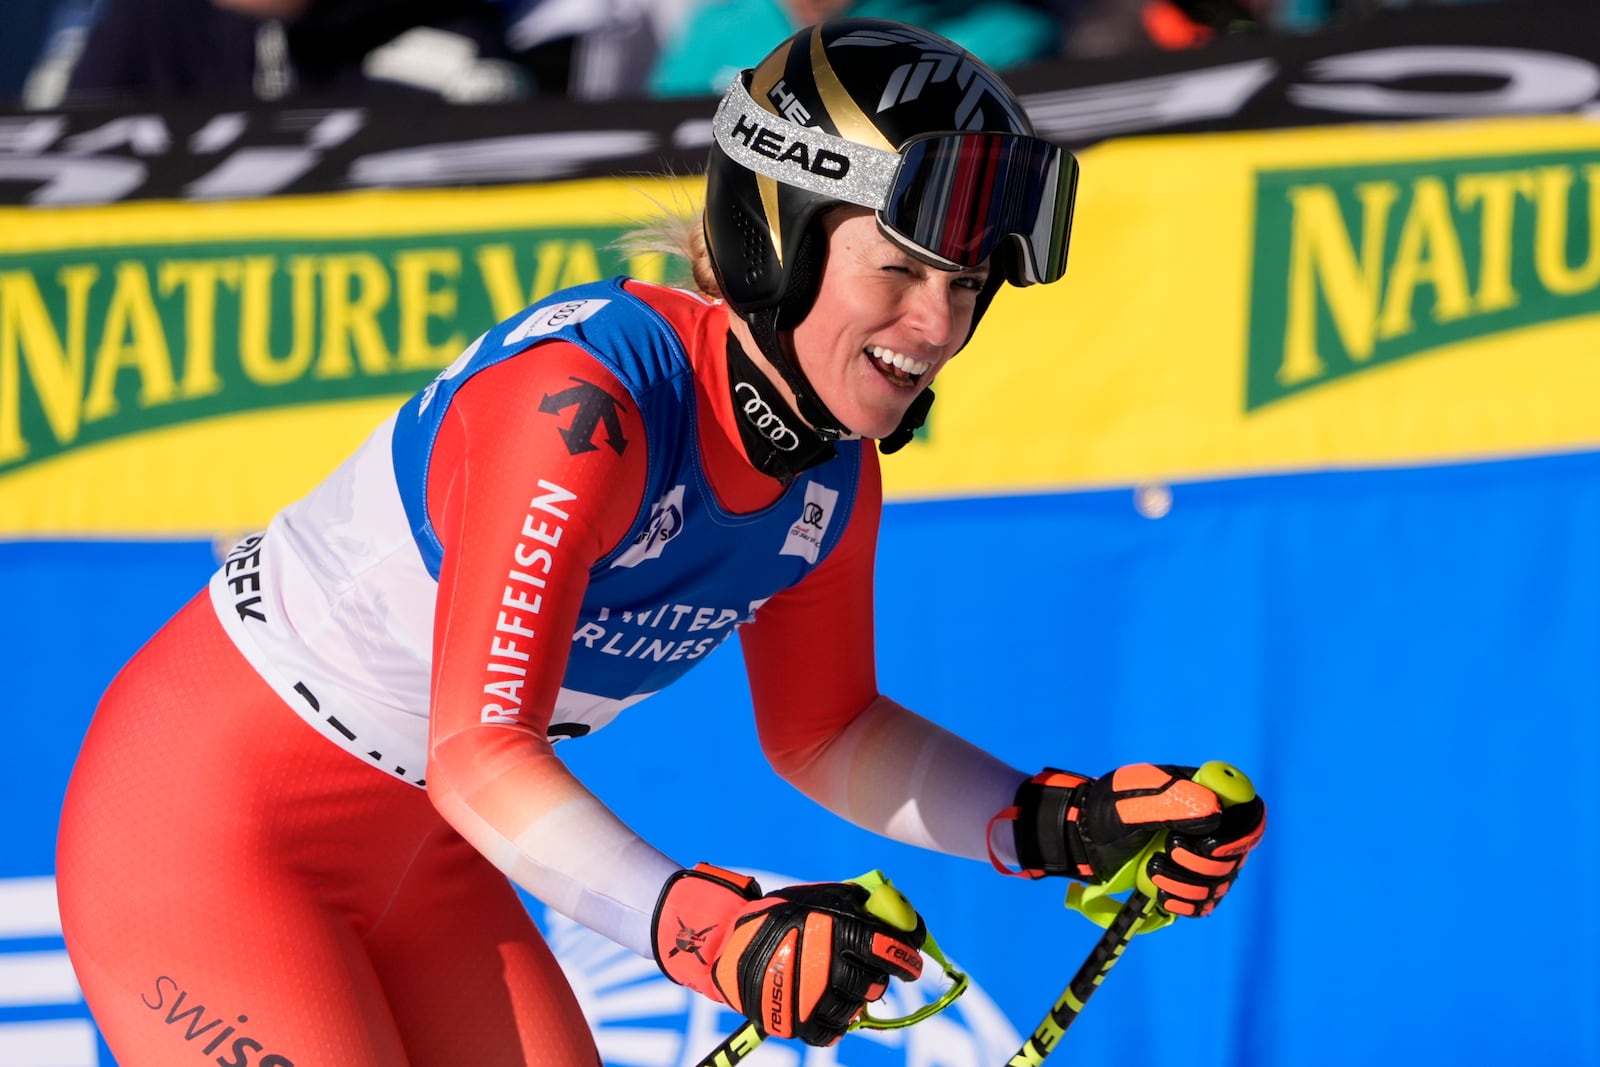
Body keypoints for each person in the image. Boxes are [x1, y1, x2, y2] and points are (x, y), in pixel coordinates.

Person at [56, 17, 1265, 1065]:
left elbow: (825, 730)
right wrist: (709, 929)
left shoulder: (830, 471)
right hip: (210, 839)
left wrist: (1050, 821)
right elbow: (482, 751)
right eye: (900, 270)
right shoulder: (584, 406)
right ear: (779, 239)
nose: (936, 326)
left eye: (966, 285)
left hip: (420, 859)